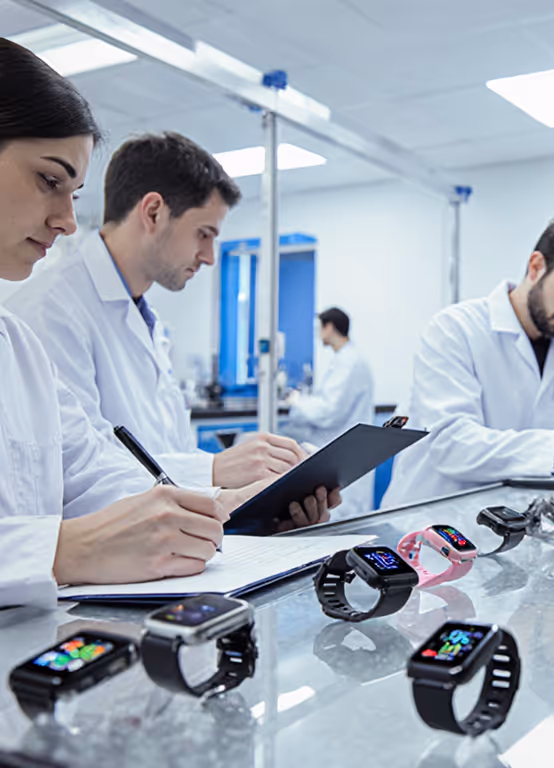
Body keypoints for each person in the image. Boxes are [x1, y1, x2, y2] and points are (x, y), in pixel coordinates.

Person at [0, 39, 336, 609]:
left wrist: (236, 505)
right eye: (49, 180)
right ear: (153, 212)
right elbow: (72, 530)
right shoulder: (46, 309)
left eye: (74, 193)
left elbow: (93, 470)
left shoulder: (15, 343)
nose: (64, 220)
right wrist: (60, 551)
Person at [7, 131, 307, 488]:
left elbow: (165, 451)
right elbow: (76, 472)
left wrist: (251, 491)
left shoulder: (148, 323)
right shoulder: (49, 311)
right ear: (153, 213)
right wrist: (212, 472)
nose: (210, 257)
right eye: (203, 233)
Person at [382, 214, 554, 507]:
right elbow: (452, 445)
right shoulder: (455, 329)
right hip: (430, 527)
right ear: (536, 267)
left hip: (518, 530)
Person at [285, 307, 374, 515]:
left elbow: (328, 411)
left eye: (320, 328)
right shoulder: (346, 359)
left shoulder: (349, 362)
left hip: (343, 452)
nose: (318, 335)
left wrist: (297, 402)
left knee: (343, 518)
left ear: (330, 327)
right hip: (345, 451)